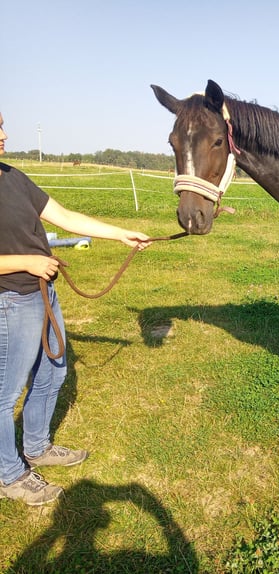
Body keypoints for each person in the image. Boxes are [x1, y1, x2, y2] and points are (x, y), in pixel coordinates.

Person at [0, 112, 151, 505]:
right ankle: (9, 474)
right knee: (5, 393)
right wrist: (25, 262)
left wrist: (121, 234)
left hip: (42, 292)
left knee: (53, 372)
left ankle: (36, 446)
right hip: (10, 299)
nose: (3, 134)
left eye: (1, 125)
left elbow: (64, 217)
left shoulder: (12, 177)